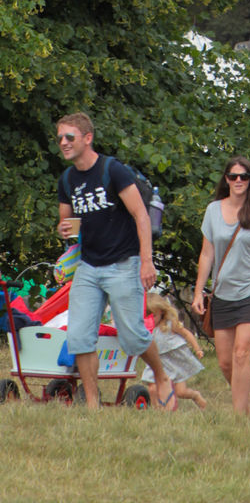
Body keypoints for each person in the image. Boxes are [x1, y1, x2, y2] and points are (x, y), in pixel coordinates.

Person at [56, 112, 177, 411]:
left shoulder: (114, 170)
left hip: (123, 264)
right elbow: (67, 221)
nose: (63, 142)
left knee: (133, 337)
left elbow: (140, 215)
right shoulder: (67, 179)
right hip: (88, 266)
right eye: (59, 137)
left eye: (69, 137)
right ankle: (93, 406)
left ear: (87, 138)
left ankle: (162, 377)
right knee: (80, 336)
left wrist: (146, 261)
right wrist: (64, 228)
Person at [191, 156, 250, 414]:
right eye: (233, 176)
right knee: (225, 363)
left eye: (244, 176)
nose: (238, 180)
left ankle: (239, 419)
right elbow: (206, 254)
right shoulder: (213, 210)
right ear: (227, 180)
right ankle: (249, 399)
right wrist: (199, 291)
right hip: (223, 293)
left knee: (241, 353)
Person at [142, 293, 206, 409]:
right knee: (152, 387)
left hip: (174, 361)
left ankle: (195, 395)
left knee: (181, 391)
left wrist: (197, 349)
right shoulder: (145, 328)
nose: (151, 319)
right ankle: (157, 410)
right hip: (157, 361)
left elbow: (186, 334)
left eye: (154, 316)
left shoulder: (170, 324)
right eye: (147, 316)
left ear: (161, 312)